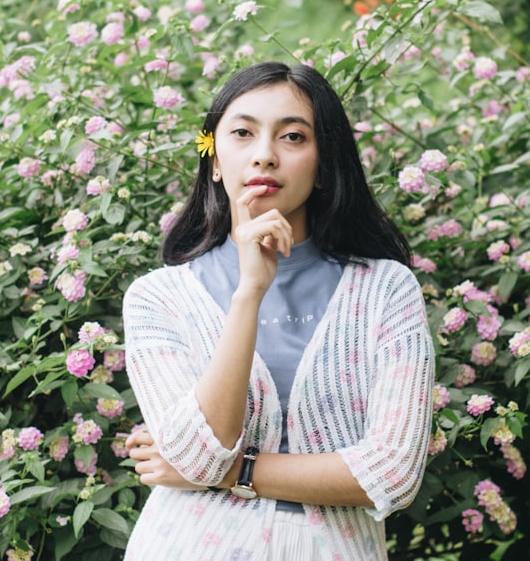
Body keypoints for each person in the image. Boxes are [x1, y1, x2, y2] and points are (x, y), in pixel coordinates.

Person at [122, 61, 434, 560]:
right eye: (242, 133)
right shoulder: (158, 298)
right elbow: (200, 449)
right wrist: (249, 292)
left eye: (292, 137)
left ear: (323, 162)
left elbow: (393, 474)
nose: (265, 155)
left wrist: (232, 471)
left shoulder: (386, 291)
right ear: (215, 160)